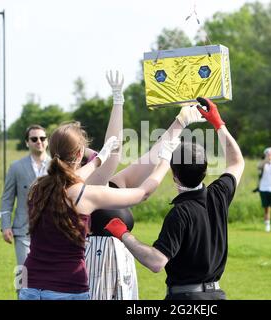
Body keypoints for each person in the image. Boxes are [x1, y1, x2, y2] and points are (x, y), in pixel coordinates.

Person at [103, 97, 245, 300]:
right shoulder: (219, 194)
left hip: (186, 299)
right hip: (217, 296)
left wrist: (124, 234)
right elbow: (237, 162)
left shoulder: (180, 214)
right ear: (205, 169)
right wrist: (218, 124)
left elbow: (156, 262)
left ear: (174, 175)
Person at [18, 121, 178, 300]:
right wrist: (165, 161)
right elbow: (143, 193)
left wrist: (99, 160)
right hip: (67, 289)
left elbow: (68, 176)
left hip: (30, 287)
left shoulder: (37, 187)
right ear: (79, 154)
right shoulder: (84, 195)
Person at [83, 72, 206, 300]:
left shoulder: (116, 184)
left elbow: (153, 157)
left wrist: (181, 121)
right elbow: (113, 152)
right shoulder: (87, 188)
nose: (96, 155)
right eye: (91, 155)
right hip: (97, 268)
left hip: (123, 268)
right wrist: (118, 101)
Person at [0, 124, 51, 295]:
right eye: (34, 139)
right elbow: (7, 199)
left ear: (47, 141)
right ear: (27, 142)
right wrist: (5, 225)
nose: (39, 142)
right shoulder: (16, 167)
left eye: (42, 138)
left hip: (52, 230)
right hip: (23, 231)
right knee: (23, 273)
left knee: (49, 274)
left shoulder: (57, 166)